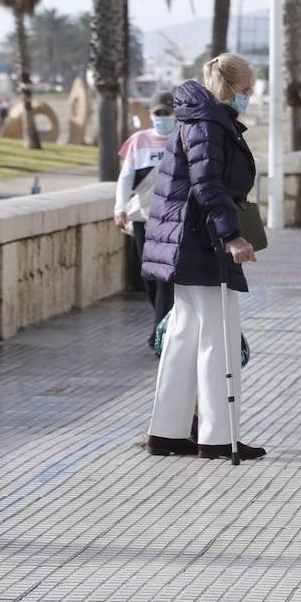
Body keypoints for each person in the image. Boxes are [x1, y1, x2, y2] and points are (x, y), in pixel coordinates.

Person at [141, 53, 267, 460]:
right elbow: (207, 185)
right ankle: (217, 436)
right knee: (218, 336)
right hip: (202, 243)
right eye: (246, 90)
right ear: (229, 87)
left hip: (188, 241)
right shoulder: (208, 125)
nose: (248, 97)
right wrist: (232, 237)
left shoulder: (200, 120)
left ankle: (167, 431)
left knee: (185, 334)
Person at [115, 89, 178, 348]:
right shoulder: (138, 141)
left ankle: (159, 334)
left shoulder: (182, 139)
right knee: (149, 276)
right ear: (151, 115)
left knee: (165, 279)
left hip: (172, 219)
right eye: (158, 113)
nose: (162, 118)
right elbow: (125, 177)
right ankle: (162, 322)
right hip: (143, 217)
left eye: (167, 113)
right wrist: (119, 208)